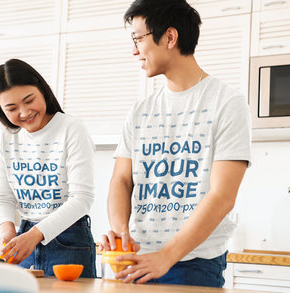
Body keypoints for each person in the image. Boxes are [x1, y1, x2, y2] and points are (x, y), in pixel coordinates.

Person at [100, 0, 251, 287]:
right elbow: (121, 180)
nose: (134, 50)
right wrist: (121, 231)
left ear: (169, 37)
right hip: (137, 260)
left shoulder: (227, 103)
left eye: (138, 38)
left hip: (193, 264)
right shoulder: (139, 111)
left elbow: (222, 195)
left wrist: (167, 255)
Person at [0, 59, 96, 277]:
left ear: (42, 90)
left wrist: (36, 234)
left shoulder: (71, 129)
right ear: (0, 110)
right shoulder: (5, 138)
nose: (24, 112)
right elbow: (2, 197)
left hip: (69, 240)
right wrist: (7, 231)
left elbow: (82, 198)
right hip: (22, 239)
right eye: (11, 108)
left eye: (29, 100)